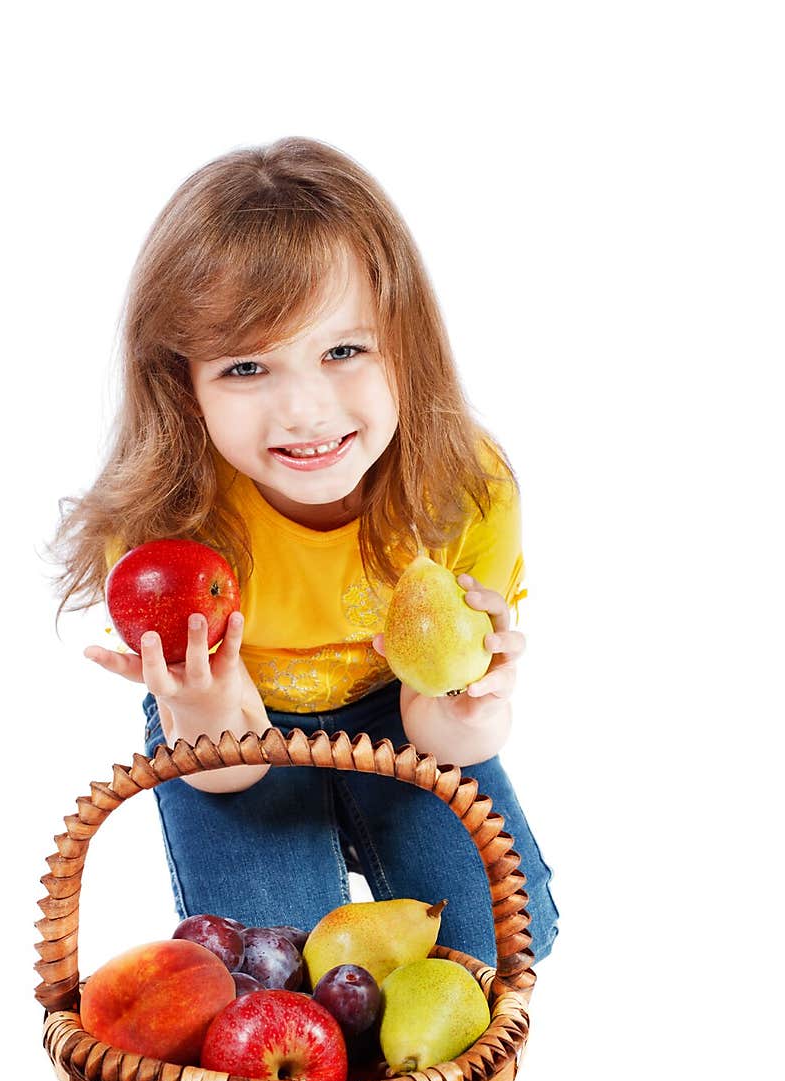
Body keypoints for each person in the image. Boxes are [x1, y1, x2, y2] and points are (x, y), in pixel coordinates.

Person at [49, 135, 558, 972]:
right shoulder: (168, 530)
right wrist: (205, 708)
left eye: (343, 350)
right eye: (247, 367)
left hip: (393, 702)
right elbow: (223, 770)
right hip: (227, 710)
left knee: (504, 941)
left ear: (406, 344)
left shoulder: (464, 492)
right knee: (279, 967)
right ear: (185, 387)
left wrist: (472, 711)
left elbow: (440, 729)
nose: (305, 411)